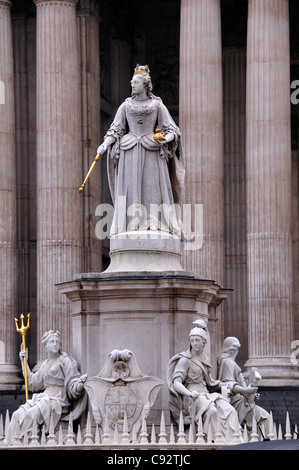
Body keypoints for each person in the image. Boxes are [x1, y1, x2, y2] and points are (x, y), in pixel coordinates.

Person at [97, 64, 185, 237]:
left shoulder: (157, 106)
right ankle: (129, 223)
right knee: (129, 187)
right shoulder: (125, 106)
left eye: (135, 81)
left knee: (152, 187)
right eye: (132, 81)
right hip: (129, 150)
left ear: (145, 84)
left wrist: (164, 139)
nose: (132, 83)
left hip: (151, 149)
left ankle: (154, 221)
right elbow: (115, 129)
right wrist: (105, 144)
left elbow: (172, 130)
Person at [7, 330, 87, 443]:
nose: (55, 344)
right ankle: (11, 443)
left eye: (57, 342)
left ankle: (21, 441)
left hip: (58, 399)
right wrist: (23, 362)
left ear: (60, 345)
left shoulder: (65, 360)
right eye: (52, 341)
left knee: (31, 414)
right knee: (17, 414)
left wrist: (79, 386)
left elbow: (72, 381)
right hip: (45, 397)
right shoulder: (45, 363)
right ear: (45, 345)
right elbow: (33, 383)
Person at [167, 327, 241, 442]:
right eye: (192, 340)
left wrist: (224, 385)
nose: (194, 343)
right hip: (192, 396)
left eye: (197, 340)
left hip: (206, 394)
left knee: (229, 410)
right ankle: (214, 441)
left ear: (204, 342)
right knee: (212, 411)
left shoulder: (204, 359)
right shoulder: (185, 360)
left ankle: (233, 442)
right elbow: (176, 383)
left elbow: (210, 382)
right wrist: (189, 393)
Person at [217, 336, 270, 434]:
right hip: (235, 402)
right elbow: (229, 385)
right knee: (265, 418)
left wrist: (252, 395)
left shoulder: (231, 362)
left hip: (241, 400)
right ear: (233, 350)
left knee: (264, 418)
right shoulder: (227, 362)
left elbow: (242, 387)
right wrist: (246, 391)